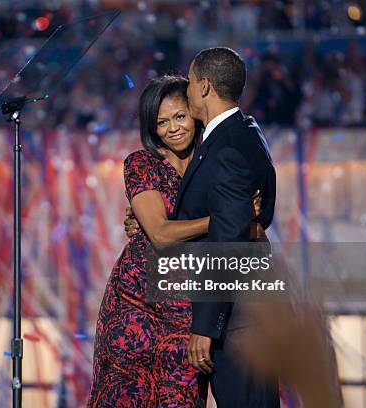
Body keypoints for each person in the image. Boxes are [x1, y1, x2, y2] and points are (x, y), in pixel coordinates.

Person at [88, 75, 263, 407]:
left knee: (178, 398)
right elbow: (161, 235)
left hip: (189, 311)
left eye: (179, 117)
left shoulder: (217, 161)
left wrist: (240, 222)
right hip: (135, 306)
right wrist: (227, 218)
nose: (172, 129)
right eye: (161, 122)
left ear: (194, 113)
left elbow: (253, 235)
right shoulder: (142, 164)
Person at [180, 47, 278, 407]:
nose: (187, 91)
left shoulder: (228, 147)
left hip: (239, 322)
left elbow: (228, 242)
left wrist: (205, 326)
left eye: (189, 83)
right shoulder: (243, 132)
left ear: (204, 86)